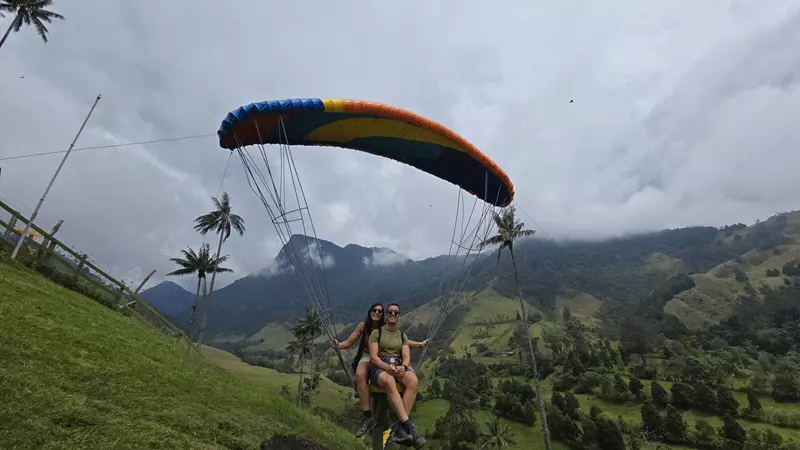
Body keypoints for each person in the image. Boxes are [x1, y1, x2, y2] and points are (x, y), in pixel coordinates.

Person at [332, 303, 428, 438]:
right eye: (374, 310)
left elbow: (401, 340)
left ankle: (402, 421)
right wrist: (339, 345)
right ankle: (368, 415)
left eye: (380, 311)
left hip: (388, 358)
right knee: (360, 374)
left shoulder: (385, 327)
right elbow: (350, 341)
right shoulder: (364, 326)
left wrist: (418, 345)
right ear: (370, 311)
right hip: (369, 356)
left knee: (411, 376)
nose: (377, 312)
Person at [368, 302, 426, 448]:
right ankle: (409, 428)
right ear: (386, 315)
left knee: (412, 380)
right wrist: (386, 367)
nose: (393, 314)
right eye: (390, 312)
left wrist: (403, 367)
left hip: (397, 367)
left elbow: (406, 356)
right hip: (380, 368)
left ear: (399, 316)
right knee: (389, 381)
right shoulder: (377, 333)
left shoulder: (402, 336)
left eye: (396, 312)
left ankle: (401, 427)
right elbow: (374, 357)